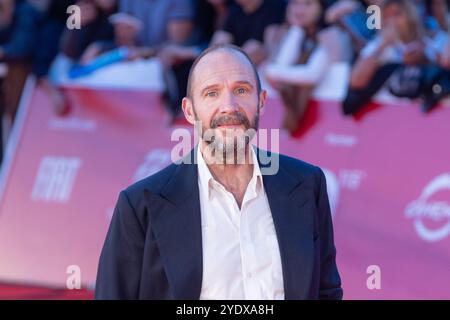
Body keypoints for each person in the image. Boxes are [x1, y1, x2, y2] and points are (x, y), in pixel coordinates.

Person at [95, 44, 343, 300]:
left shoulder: (307, 184)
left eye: (241, 90)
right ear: (189, 111)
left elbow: (326, 291)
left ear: (261, 101)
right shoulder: (140, 205)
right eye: (212, 93)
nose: (229, 106)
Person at [264, 0, 351, 133]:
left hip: (333, 119)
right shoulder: (299, 32)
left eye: (308, 4)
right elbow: (282, 64)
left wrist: (270, 71)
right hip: (307, 119)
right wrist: (296, 27)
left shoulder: (333, 32)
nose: (300, 9)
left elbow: (312, 75)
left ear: (321, 7)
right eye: (295, 3)